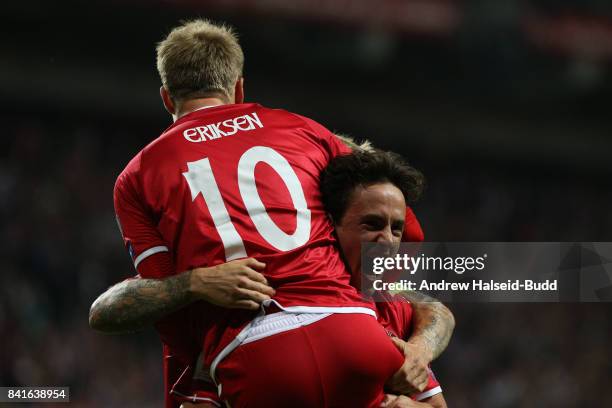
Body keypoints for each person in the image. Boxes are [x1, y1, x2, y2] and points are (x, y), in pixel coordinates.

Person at [100, 18, 448, 407]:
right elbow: (392, 229)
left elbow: (168, 307)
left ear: (167, 98)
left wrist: (201, 374)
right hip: (352, 328)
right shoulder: (305, 131)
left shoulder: (137, 176)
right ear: (238, 87)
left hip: (255, 352)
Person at [176, 148, 449, 408]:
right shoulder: (251, 303)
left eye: (397, 229)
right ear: (329, 226)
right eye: (372, 225)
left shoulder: (390, 307)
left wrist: (415, 377)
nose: (388, 240)